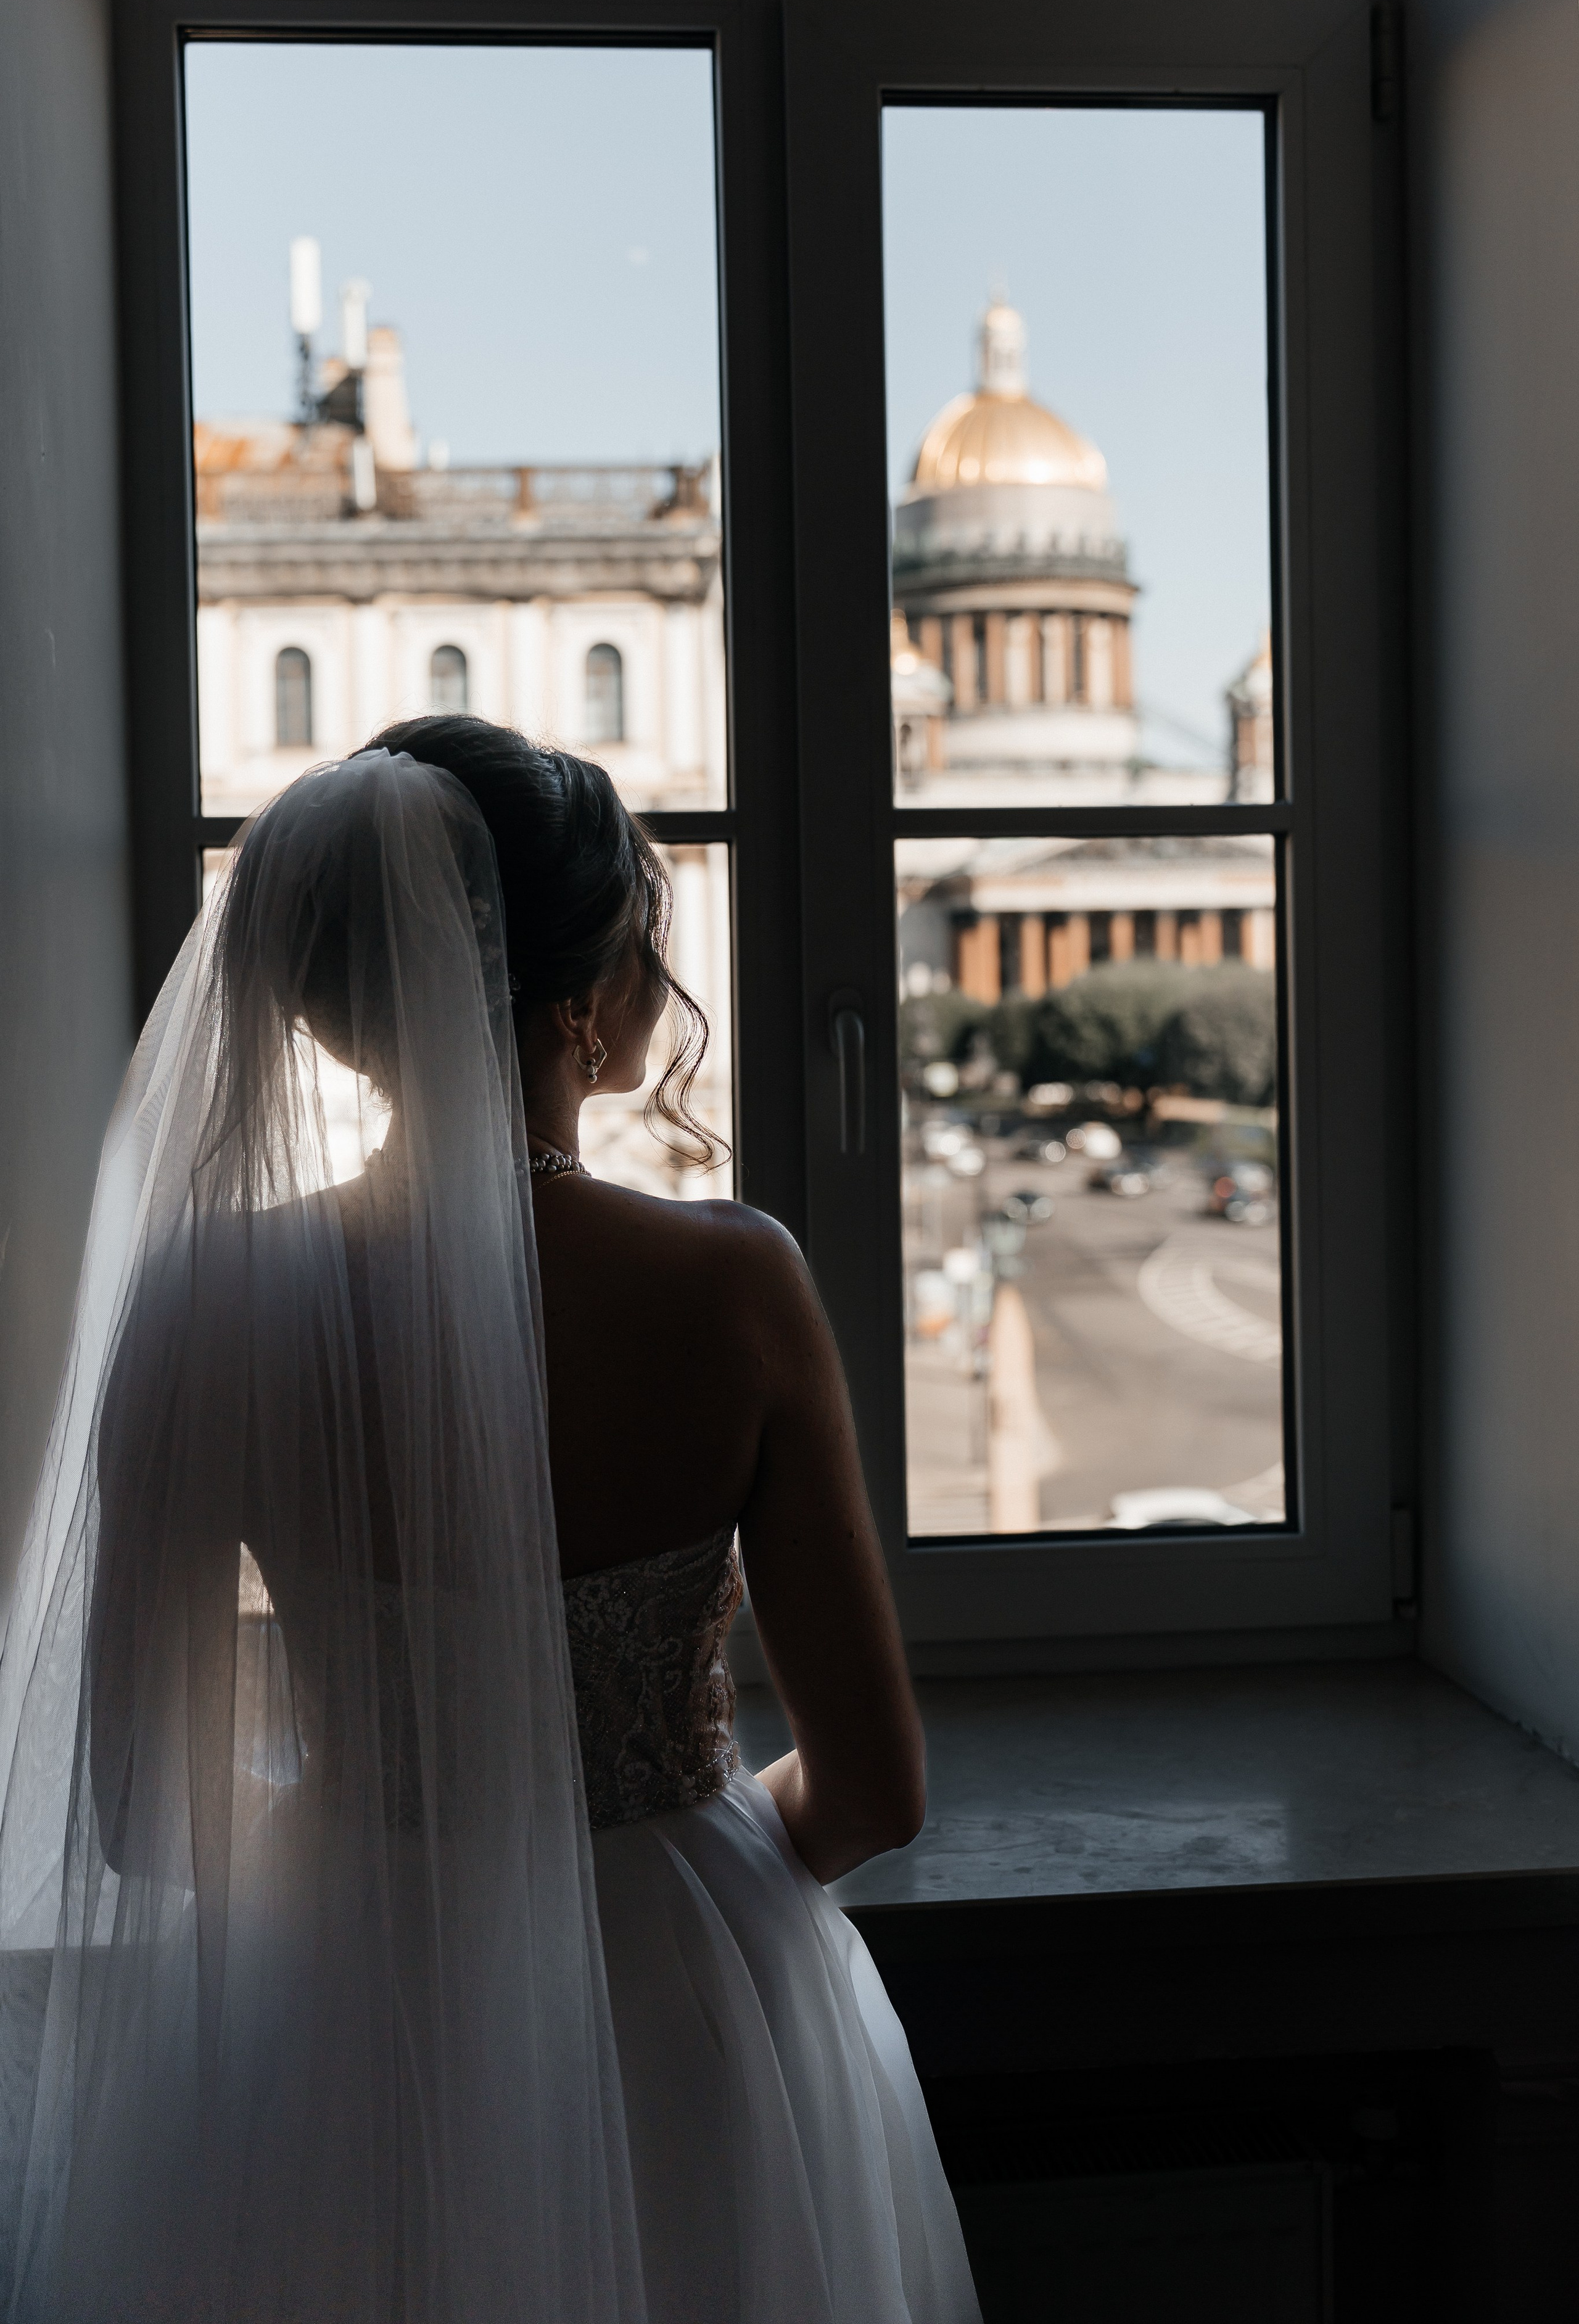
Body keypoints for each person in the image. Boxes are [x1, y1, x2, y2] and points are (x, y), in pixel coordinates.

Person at [0, 721, 979, 2323]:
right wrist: (682, 1841)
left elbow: (138, 1808)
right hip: (683, 1991)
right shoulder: (736, 1286)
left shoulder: (208, 1301)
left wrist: (368, 1852)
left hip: (347, 2009)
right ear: (586, 1010)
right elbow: (873, 1791)